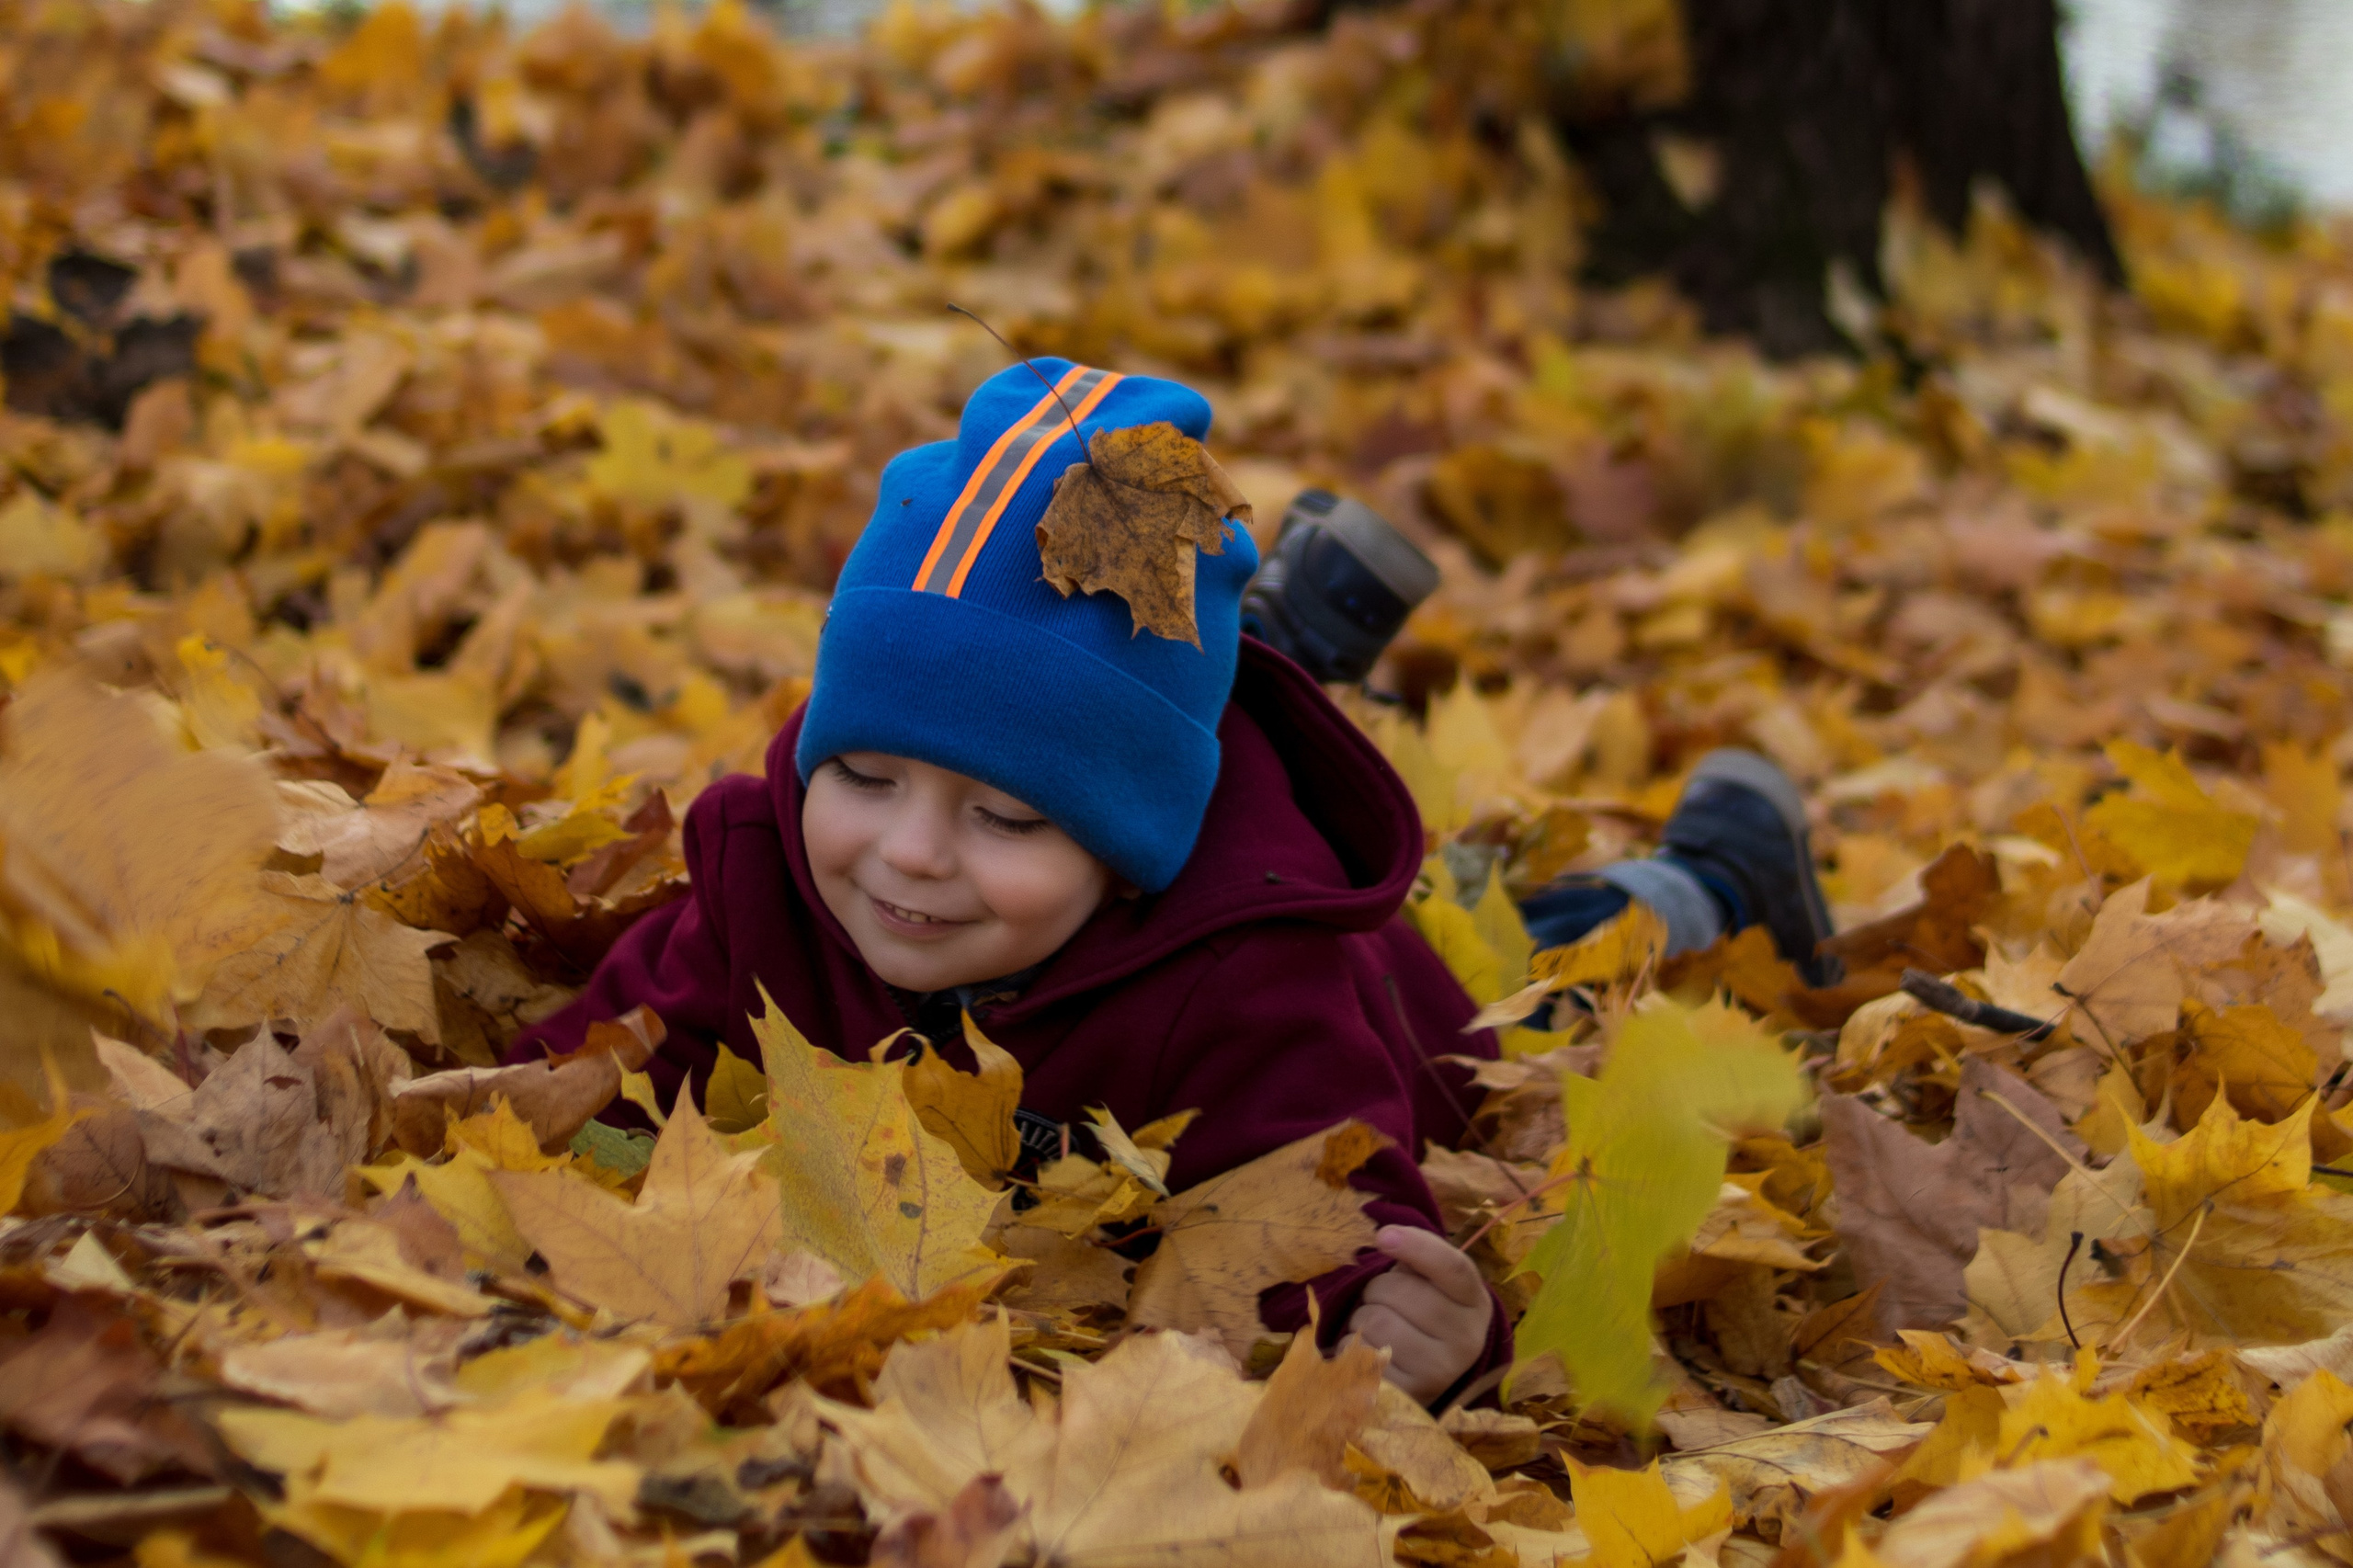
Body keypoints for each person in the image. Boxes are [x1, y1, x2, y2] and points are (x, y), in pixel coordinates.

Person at [517, 359, 1510, 1405]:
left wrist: (1431, 1344)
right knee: (1112, 706)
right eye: (862, 773)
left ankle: (1659, 886)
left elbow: (1341, 1231)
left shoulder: (1252, 977)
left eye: (1006, 816)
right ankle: (1257, 640)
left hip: (1400, 986)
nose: (909, 851)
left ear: (1127, 861)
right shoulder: (765, 863)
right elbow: (588, 1082)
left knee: (1519, 930)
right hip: (1125, 752)